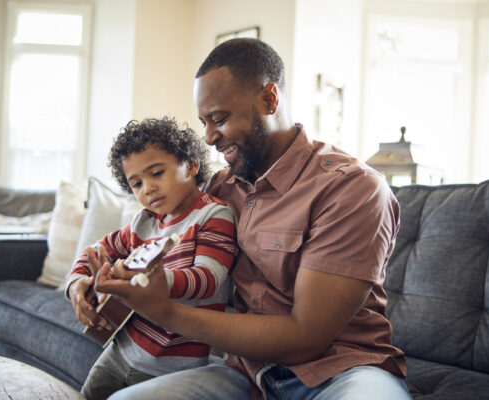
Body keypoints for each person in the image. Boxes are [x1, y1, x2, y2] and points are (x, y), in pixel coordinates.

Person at [93, 39, 411, 400]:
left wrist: (165, 311)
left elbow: (306, 337)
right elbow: (147, 233)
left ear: (270, 100)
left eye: (220, 119)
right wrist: (85, 281)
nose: (209, 137)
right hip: (245, 374)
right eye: (204, 122)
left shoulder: (352, 189)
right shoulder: (220, 189)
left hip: (341, 371)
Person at [66, 117, 238, 400]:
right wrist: (76, 285)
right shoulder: (143, 222)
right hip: (120, 352)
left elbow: (208, 279)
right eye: (136, 183)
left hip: (176, 367)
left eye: (157, 173)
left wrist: (155, 280)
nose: (147, 188)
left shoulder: (214, 215)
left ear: (192, 165)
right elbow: (94, 251)